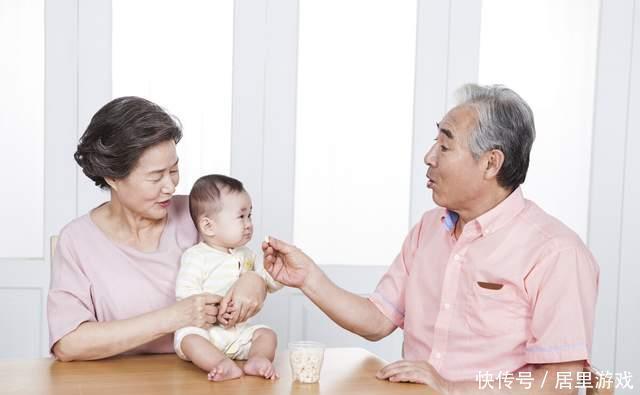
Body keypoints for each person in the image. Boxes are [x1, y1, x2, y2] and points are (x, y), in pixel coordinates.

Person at [262, 84, 599, 394]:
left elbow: (562, 381)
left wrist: (451, 387)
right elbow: (378, 320)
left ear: (491, 163)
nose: (429, 157)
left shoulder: (556, 252)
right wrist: (308, 279)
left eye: (445, 146)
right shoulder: (429, 228)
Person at [47, 97, 268, 361]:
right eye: (155, 177)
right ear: (113, 177)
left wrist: (254, 283)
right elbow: (68, 344)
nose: (170, 186)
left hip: (202, 375)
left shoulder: (197, 216)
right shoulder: (78, 240)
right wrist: (173, 317)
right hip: (113, 380)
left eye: (174, 170)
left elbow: (244, 266)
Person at [174, 174, 282, 381]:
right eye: (241, 217)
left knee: (266, 334)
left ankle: (257, 359)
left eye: (250, 215)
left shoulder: (247, 254)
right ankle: (220, 364)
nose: (249, 223)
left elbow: (268, 282)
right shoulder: (196, 256)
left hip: (238, 334)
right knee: (188, 339)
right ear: (208, 226)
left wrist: (274, 269)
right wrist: (214, 312)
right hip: (206, 332)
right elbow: (186, 294)